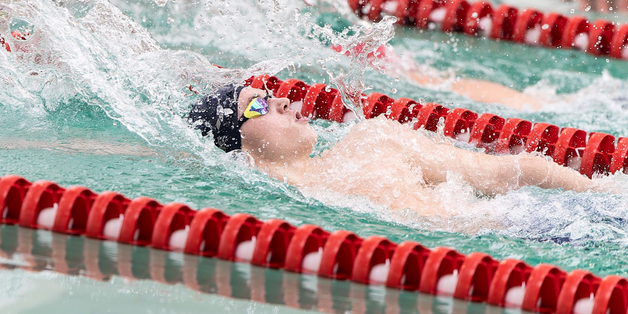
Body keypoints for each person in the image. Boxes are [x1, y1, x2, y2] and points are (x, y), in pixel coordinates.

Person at [187, 84, 593, 217]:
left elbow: (509, 172)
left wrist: (606, 198)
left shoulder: (372, 140)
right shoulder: (267, 209)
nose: (280, 101)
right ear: (235, 145)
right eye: (256, 106)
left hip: (545, 224)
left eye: (272, 95)